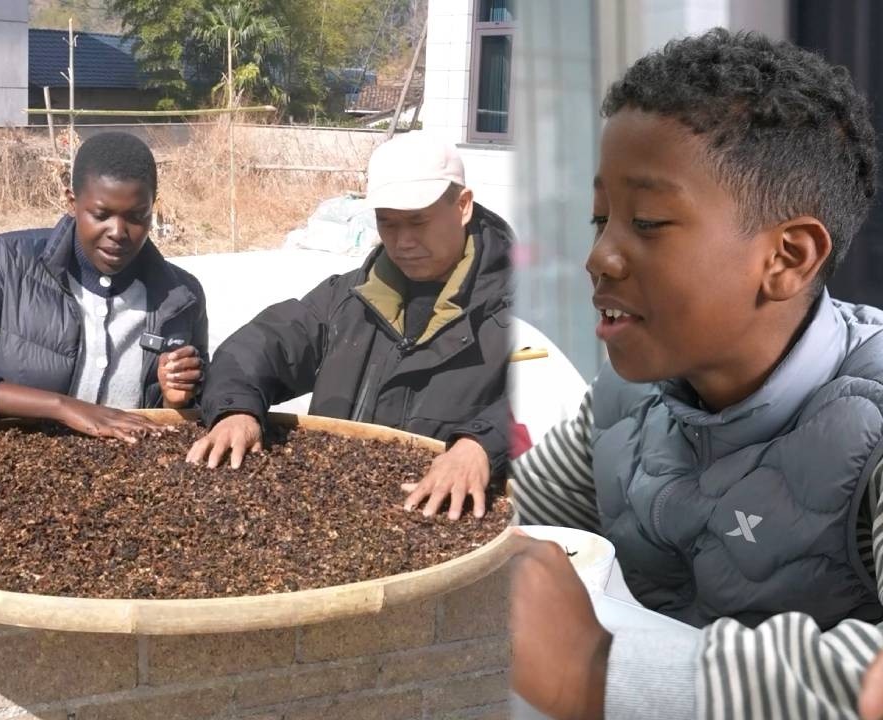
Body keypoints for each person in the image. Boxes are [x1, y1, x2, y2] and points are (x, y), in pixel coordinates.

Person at [510, 29, 883, 720]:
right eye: (602, 218)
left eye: (646, 222)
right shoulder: (624, 399)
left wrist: (596, 669)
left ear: (788, 258)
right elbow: (514, 523)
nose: (599, 258)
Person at [187, 132, 512, 520]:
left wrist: (479, 445)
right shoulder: (348, 299)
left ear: (462, 206)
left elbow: (561, 403)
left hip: (443, 527)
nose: (403, 241)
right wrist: (234, 409)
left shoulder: (522, 313)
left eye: (418, 221)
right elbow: (260, 345)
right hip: (331, 524)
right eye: (387, 223)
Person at [0, 132, 208, 439]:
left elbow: (195, 416)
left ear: (153, 208)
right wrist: (61, 407)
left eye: (137, 216)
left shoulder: (181, 298)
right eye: (101, 215)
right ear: (72, 202)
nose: (118, 232)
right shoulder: (5, 265)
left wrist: (176, 400)